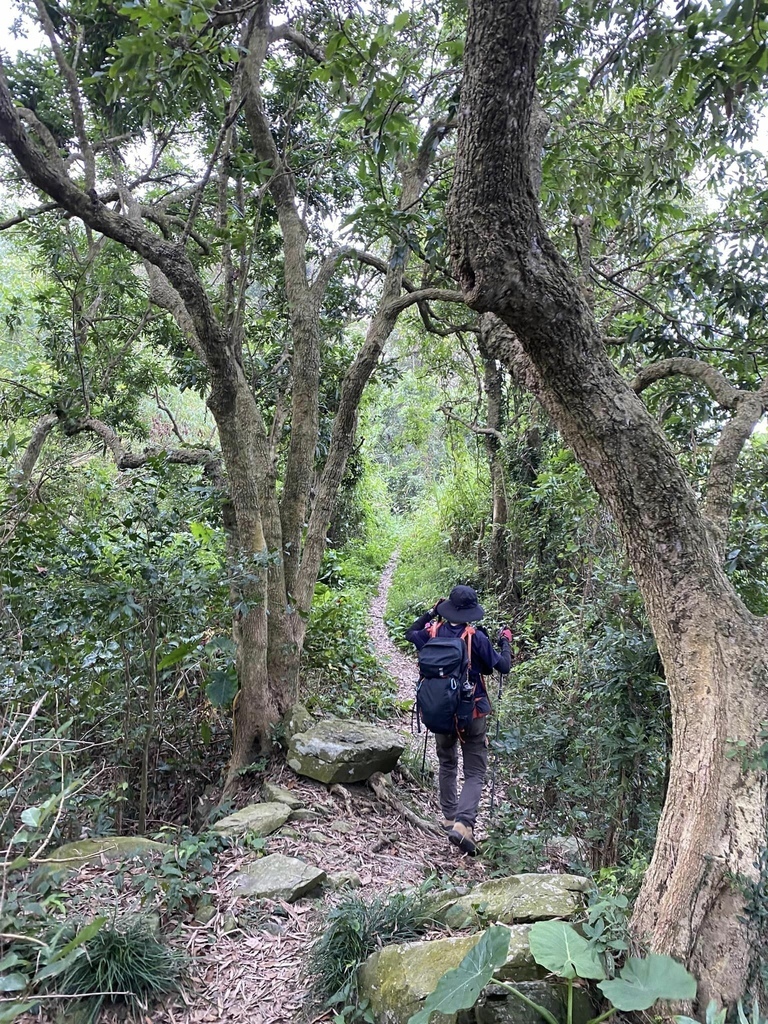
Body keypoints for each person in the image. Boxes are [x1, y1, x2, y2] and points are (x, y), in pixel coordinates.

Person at [406, 585, 512, 856]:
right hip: (472, 713)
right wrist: (505, 641)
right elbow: (503, 667)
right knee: (475, 770)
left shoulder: (431, 632)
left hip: (439, 712)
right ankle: (464, 824)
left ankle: (449, 816)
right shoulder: (475, 637)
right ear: (470, 612)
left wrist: (431, 611)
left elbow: (410, 632)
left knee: (447, 761)